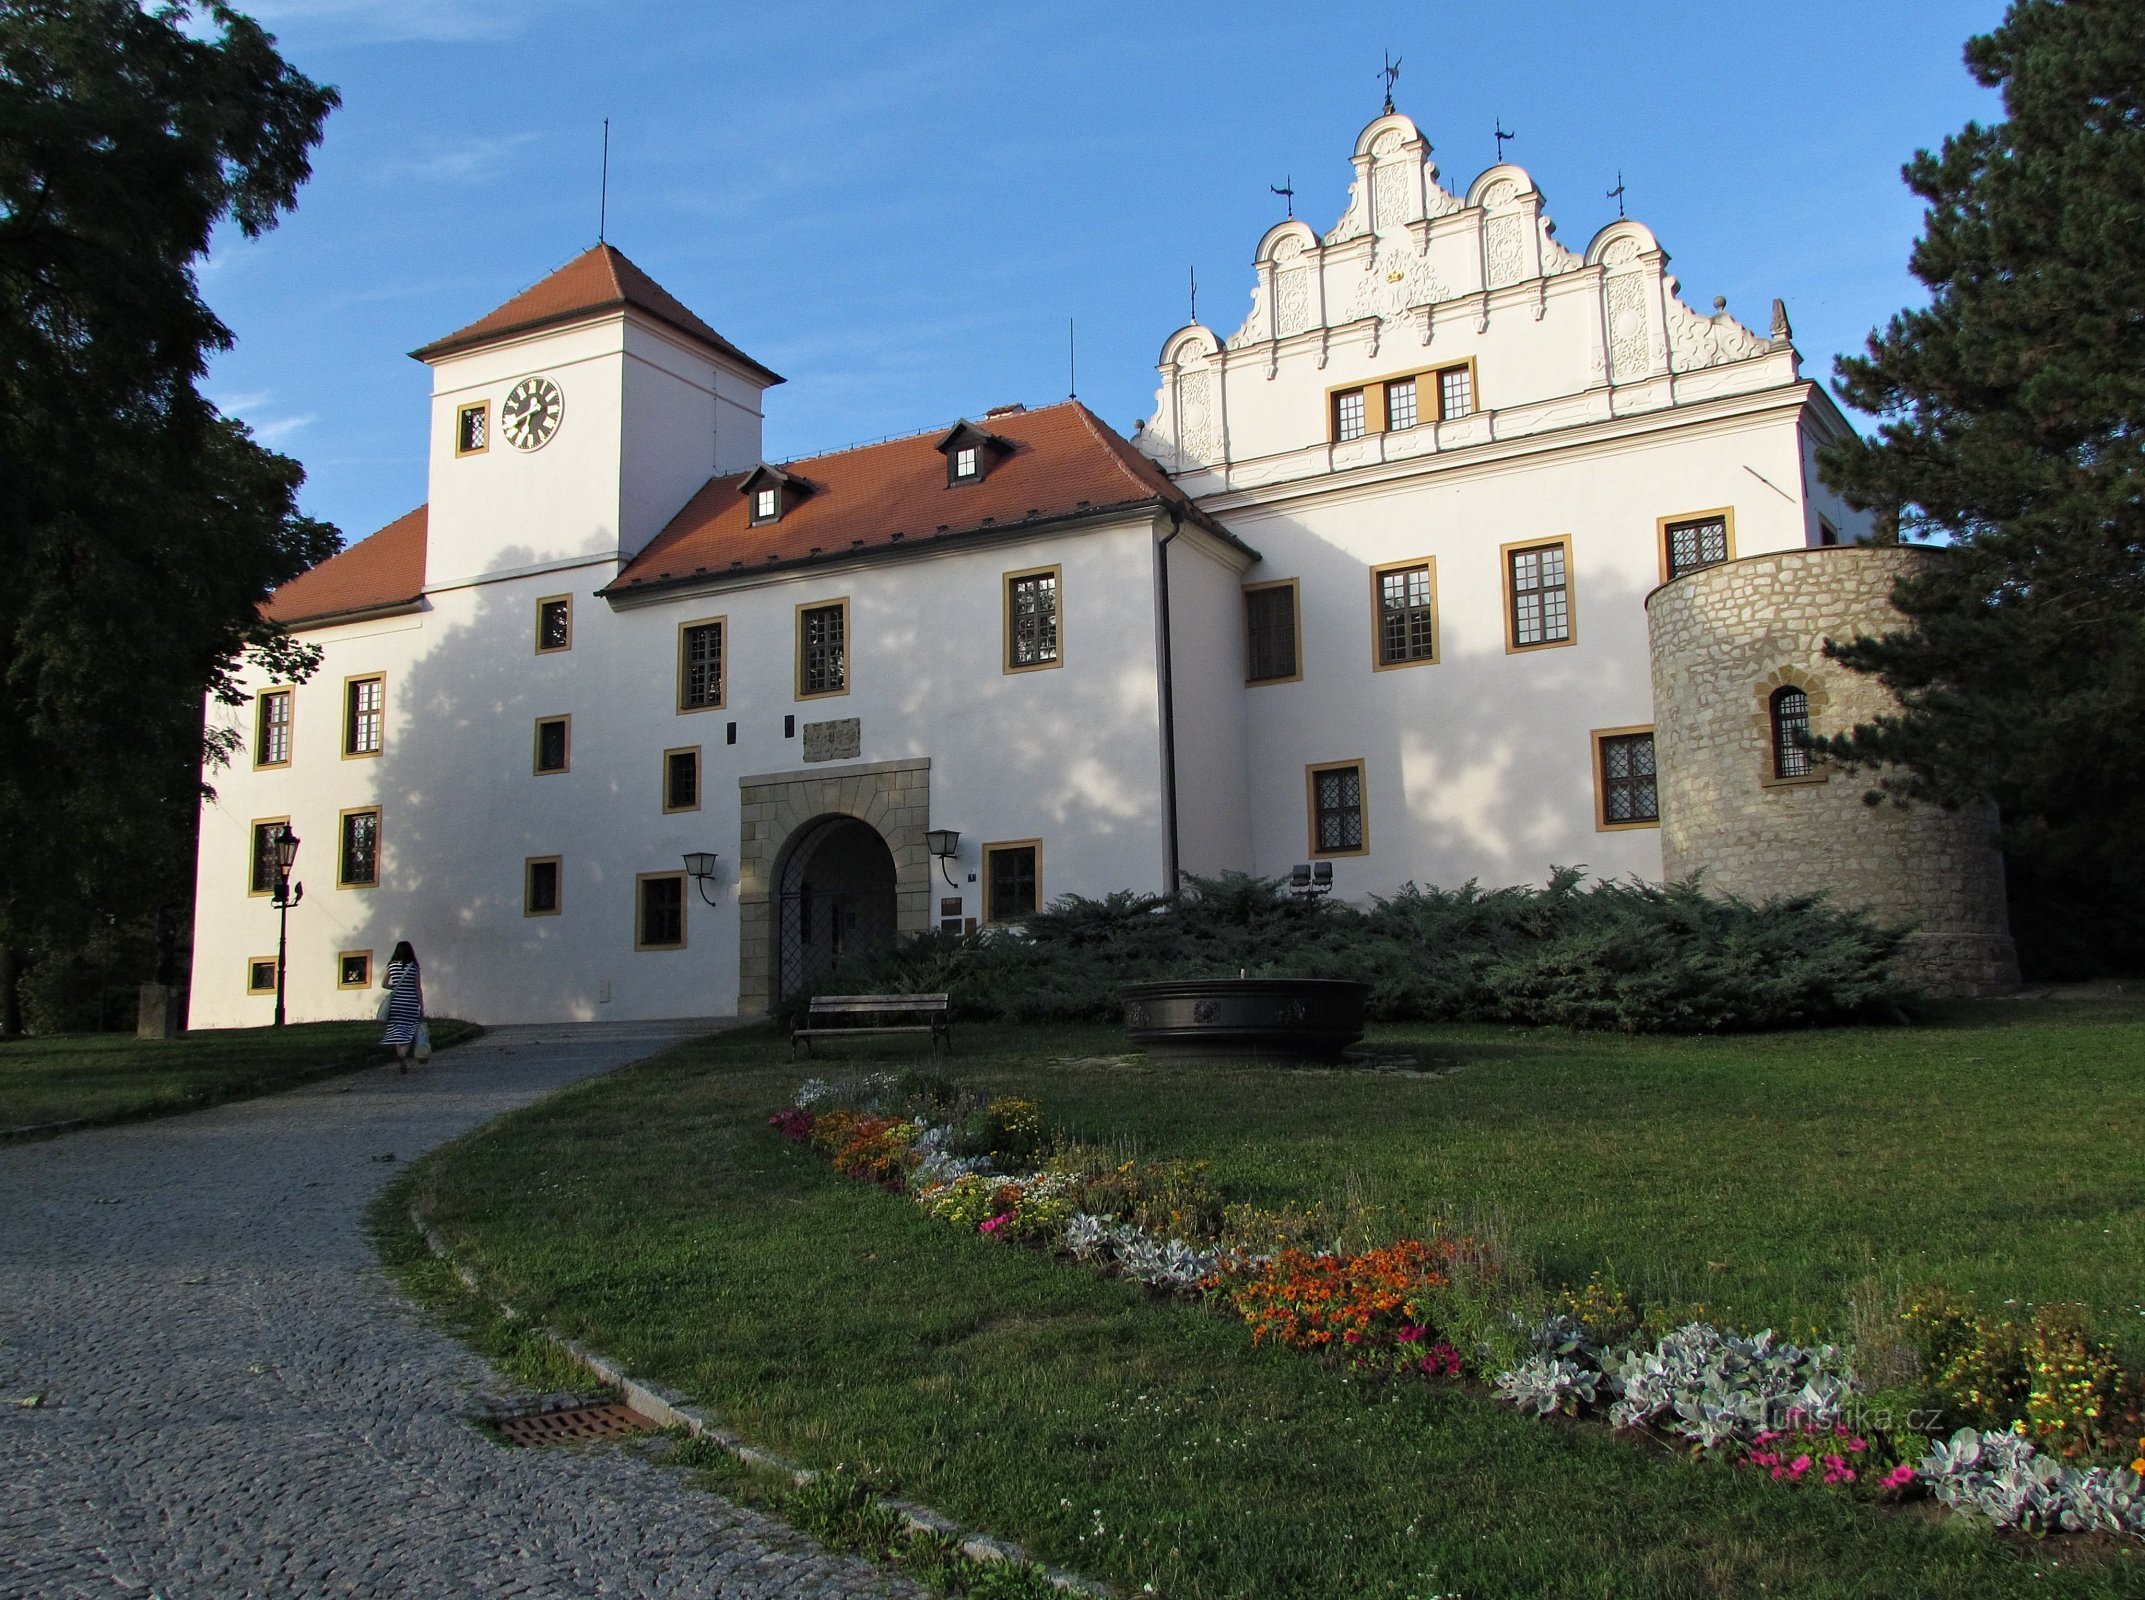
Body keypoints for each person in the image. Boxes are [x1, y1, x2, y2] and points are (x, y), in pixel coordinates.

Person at [380, 940, 426, 1071]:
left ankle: (399, 1053)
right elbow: (418, 988)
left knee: (397, 1030)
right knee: (408, 1030)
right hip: (410, 1002)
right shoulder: (414, 967)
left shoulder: (391, 966)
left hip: (396, 1002)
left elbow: (383, 984)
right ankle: (403, 1055)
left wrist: (394, 987)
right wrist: (421, 1007)